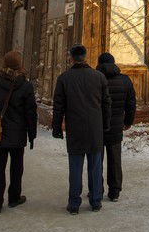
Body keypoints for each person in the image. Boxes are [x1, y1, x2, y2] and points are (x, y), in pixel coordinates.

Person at [52, 44, 112, 214]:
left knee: (75, 167)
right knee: (95, 166)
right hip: (95, 128)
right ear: (85, 57)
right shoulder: (99, 77)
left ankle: (74, 203)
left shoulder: (64, 78)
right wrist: (105, 124)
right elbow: (107, 104)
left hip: (75, 128)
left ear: (71, 58)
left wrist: (57, 127)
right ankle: (95, 201)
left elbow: (59, 106)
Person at [0, 51, 37, 215]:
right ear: (20, 65)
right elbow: (31, 112)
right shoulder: (25, 86)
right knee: (16, 167)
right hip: (18, 133)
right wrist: (32, 134)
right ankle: (14, 197)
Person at [96, 52, 137, 202]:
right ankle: (114, 192)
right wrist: (128, 121)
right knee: (115, 159)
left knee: (96, 160)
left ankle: (96, 190)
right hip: (116, 125)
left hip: (97, 127)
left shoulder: (95, 79)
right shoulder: (125, 80)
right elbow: (131, 104)